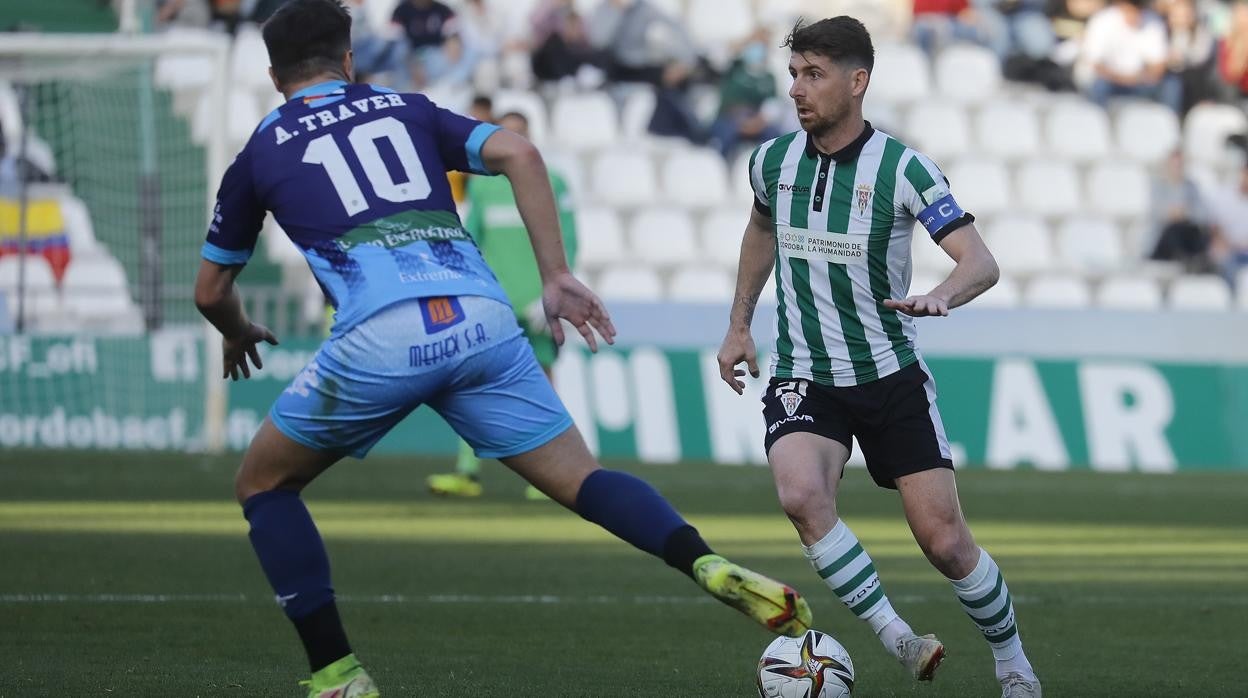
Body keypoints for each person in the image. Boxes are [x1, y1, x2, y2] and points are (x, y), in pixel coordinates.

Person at [193, 2, 814, 696]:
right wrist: (554, 275)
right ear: (347, 62)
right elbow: (519, 152)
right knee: (584, 479)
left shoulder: (262, 147)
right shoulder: (406, 107)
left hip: (381, 331)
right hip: (480, 317)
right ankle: (706, 564)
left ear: (275, 74)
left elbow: (211, 288)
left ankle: (338, 675)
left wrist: (238, 331)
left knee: (263, 484)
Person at [715, 17, 1041, 698]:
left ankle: (1013, 664)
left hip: (889, 373)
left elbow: (980, 262)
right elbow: (760, 228)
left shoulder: (903, 167)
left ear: (857, 81)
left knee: (946, 542)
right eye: (795, 73)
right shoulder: (771, 162)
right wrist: (739, 324)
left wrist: (943, 295)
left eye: (815, 74)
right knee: (801, 494)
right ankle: (898, 637)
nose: (798, 89)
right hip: (806, 372)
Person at [427, 110, 577, 500]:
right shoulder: (482, 188)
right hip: (495, 300)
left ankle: (549, 477)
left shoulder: (556, 182)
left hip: (538, 302)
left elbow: (570, 239)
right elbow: (471, 239)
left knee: (543, 383)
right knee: (472, 379)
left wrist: (556, 290)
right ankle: (467, 471)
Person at [1079, 0, 1181, 112]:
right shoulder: (1102, 20)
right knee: (1099, 85)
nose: (1135, 14)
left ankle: (1168, 124)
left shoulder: (1153, 21)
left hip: (1140, 82)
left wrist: (1140, 78)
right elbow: (1094, 63)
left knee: (1171, 85)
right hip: (1110, 81)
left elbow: (1158, 67)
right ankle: (1096, 124)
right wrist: (1122, 79)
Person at [1149, 149, 1213, 271]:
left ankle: (1196, 260)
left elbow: (1202, 215)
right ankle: (1186, 260)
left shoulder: (1191, 187)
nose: (1177, 168)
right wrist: (1179, 213)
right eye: (1174, 165)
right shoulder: (1158, 186)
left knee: (1197, 231)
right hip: (1163, 241)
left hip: (1185, 234)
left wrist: (1183, 213)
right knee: (1174, 229)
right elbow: (1158, 214)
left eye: (1180, 165)